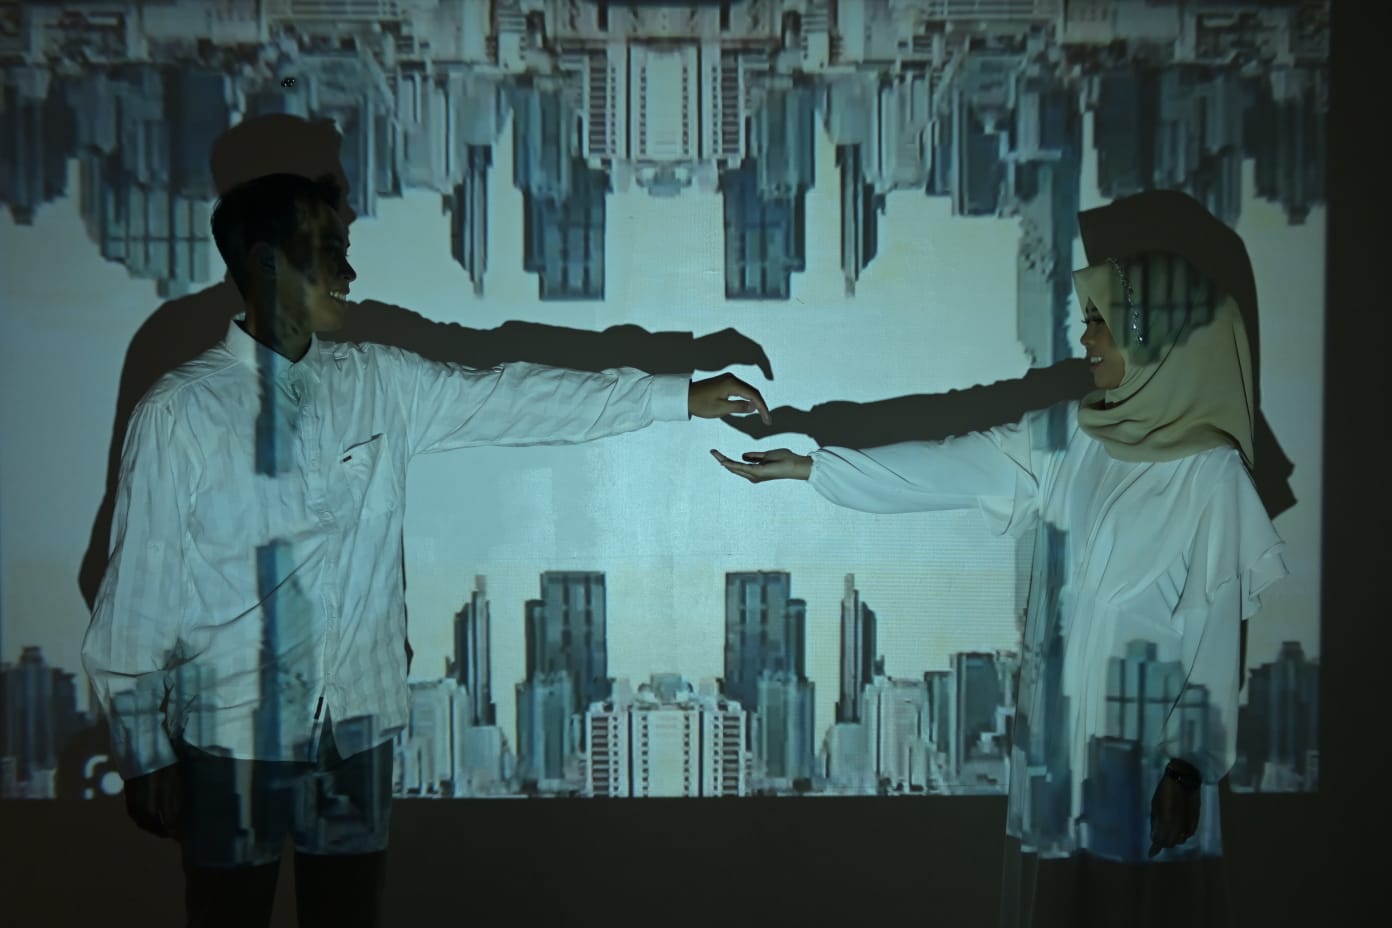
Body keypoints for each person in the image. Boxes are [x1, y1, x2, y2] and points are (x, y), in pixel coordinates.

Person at [82, 172, 771, 928]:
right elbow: (138, 589)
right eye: (329, 250)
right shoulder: (180, 411)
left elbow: (512, 397)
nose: (349, 273)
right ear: (267, 260)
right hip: (233, 741)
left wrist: (676, 396)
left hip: (354, 735)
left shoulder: (381, 381)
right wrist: (143, 750)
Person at [713, 249, 1287, 926]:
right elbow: (950, 466)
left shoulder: (1212, 474)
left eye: (1101, 322)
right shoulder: (1075, 438)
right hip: (1066, 751)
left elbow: (1214, 638)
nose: (1086, 338)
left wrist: (1187, 768)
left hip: (1151, 761)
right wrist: (814, 468)